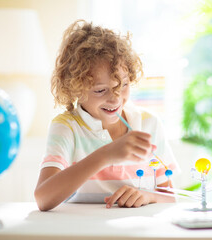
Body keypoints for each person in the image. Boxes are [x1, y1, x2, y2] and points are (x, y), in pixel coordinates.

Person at [34, 20, 179, 211]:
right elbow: (43, 199)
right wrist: (106, 155)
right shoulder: (67, 127)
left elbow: (169, 197)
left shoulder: (148, 123)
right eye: (101, 90)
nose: (115, 99)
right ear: (75, 88)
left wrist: (147, 196)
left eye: (123, 85)